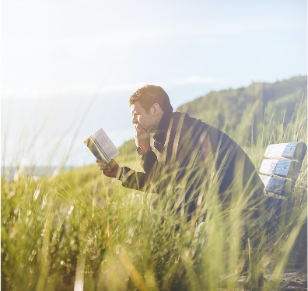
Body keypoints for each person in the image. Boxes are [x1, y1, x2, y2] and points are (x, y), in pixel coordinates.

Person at [96, 85, 265, 224]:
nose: (133, 121)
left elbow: (161, 184)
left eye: (136, 114)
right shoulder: (170, 131)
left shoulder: (181, 131)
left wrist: (145, 148)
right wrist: (119, 173)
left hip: (244, 205)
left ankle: (181, 262)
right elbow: (161, 181)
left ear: (155, 109)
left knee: (164, 205)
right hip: (228, 199)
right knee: (163, 203)